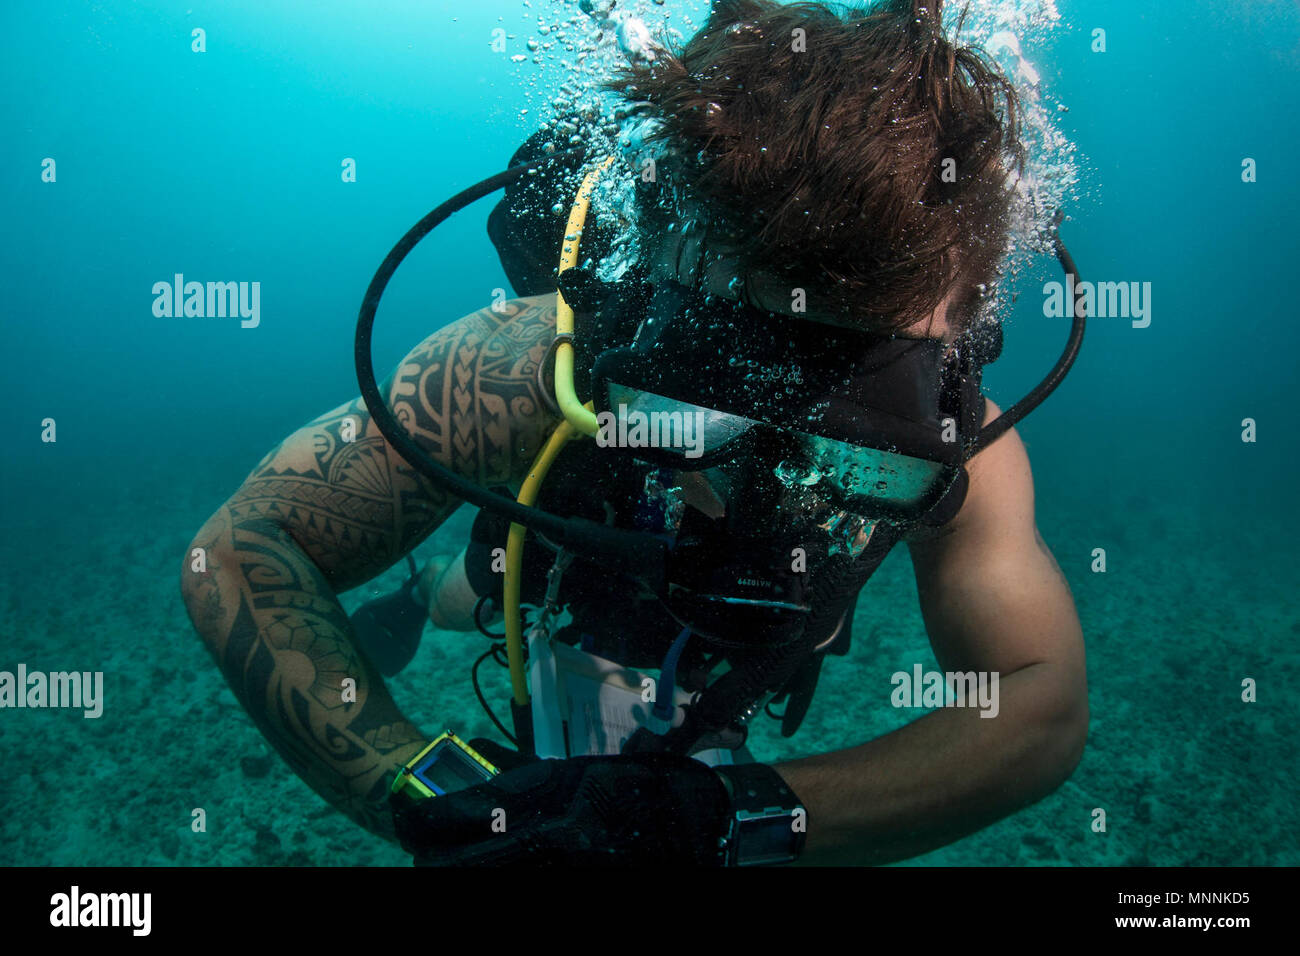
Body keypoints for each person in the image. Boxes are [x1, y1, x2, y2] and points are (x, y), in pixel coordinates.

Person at [181, 0, 1087, 866]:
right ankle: (424, 590)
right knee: (475, 589)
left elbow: (1040, 698)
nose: (760, 500)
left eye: (861, 451)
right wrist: (428, 797)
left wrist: (718, 819)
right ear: (639, 305)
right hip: (571, 550)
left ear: (958, 348)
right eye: (693, 417)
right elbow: (240, 547)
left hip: (745, 652)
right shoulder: (540, 359)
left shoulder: (965, 443)